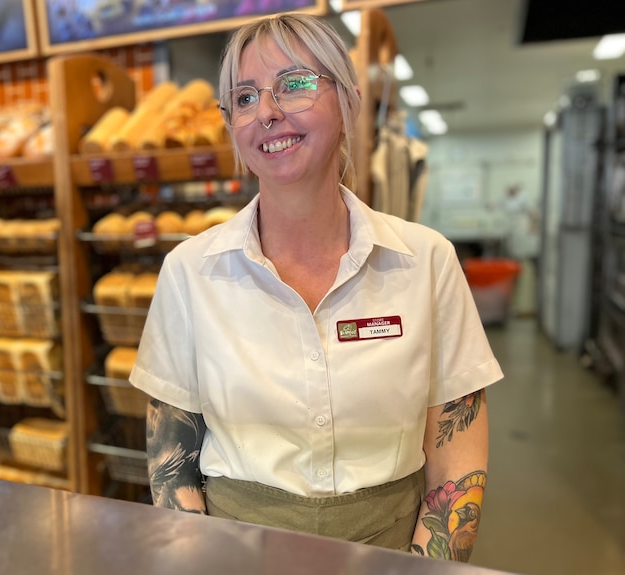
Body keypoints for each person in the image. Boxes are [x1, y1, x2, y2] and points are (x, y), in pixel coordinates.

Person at [128, 13, 503, 562]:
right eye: (246, 97)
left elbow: (457, 447)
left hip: (391, 553)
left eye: (296, 84)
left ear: (349, 102)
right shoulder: (190, 272)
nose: (269, 112)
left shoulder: (425, 262)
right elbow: (172, 451)